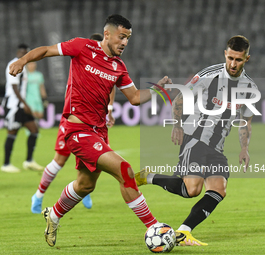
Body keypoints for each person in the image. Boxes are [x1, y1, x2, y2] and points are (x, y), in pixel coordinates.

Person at [10, 14, 177, 247]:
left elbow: (135, 97)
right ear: (107, 34)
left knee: (86, 185)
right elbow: (47, 50)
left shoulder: (118, 66)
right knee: (125, 170)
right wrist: (23, 61)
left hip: (98, 132)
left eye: (128, 38)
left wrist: (158, 89)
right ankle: (154, 226)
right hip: (77, 130)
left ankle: (54, 215)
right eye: (121, 37)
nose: (125, 42)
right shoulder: (82, 47)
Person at [135, 35, 258, 246]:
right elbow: (179, 99)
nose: (233, 64)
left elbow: (245, 121)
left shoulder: (250, 89)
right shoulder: (208, 75)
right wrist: (177, 125)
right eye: (230, 58)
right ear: (225, 54)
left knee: (219, 189)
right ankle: (148, 177)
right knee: (192, 189)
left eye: (238, 59)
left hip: (217, 147)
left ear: (247, 58)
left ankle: (183, 232)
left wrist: (244, 148)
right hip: (195, 137)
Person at [30, 33, 115, 214]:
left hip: (94, 124)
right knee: (59, 160)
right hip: (73, 120)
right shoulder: (81, 57)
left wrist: (110, 109)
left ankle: (82, 189)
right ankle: (38, 195)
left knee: (91, 161)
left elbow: (112, 85)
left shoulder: (107, 66)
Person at [0, 44, 44, 173]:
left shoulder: (23, 66)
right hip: (13, 105)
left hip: (21, 105)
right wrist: (24, 103)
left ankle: (29, 161)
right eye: (23, 52)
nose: (24, 54)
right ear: (18, 51)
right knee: (12, 133)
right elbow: (14, 87)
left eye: (26, 52)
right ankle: (6, 163)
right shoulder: (14, 64)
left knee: (34, 130)